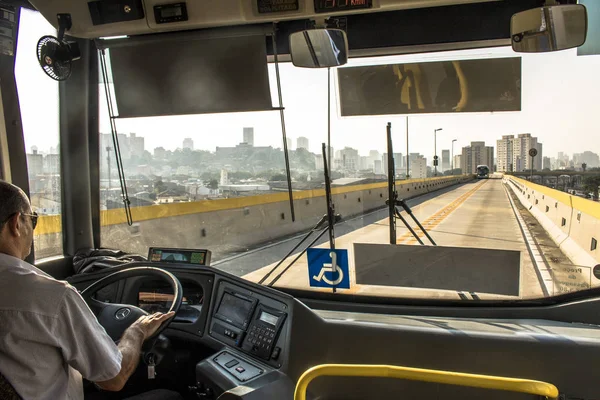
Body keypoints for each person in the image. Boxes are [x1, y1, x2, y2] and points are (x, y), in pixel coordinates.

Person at [0, 181, 180, 399]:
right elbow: (114, 379)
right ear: (16, 224)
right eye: (33, 219)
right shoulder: (52, 297)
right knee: (169, 395)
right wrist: (137, 331)